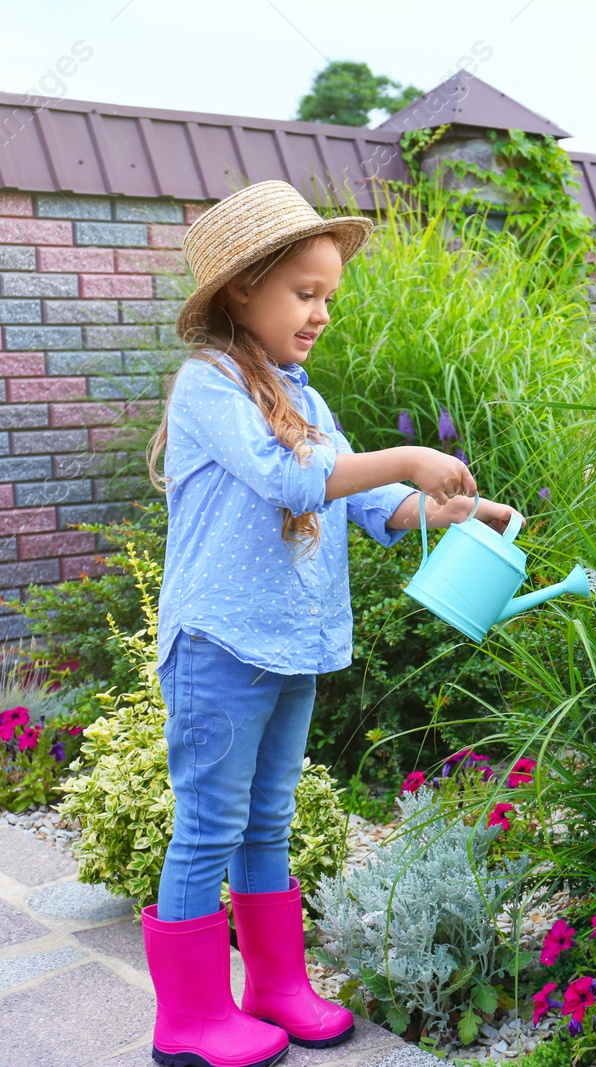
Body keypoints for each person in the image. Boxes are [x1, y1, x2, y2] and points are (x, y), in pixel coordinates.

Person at [141, 180, 514, 1067]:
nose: (320, 313)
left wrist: (454, 511)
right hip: (220, 645)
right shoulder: (208, 387)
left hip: (289, 644)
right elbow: (290, 477)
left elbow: (371, 502)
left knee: (266, 823)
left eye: (329, 298)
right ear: (243, 288)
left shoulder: (305, 395)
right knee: (209, 825)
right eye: (304, 293)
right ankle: (189, 1017)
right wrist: (413, 453)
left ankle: (273, 987)